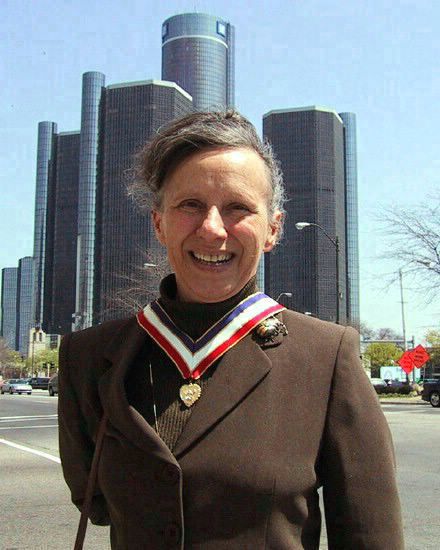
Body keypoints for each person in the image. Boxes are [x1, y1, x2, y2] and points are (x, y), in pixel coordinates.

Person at [58, 110, 404, 549]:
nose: (212, 229)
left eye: (238, 207)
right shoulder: (89, 357)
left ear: (272, 229)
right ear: (159, 223)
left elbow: (370, 535)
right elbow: (98, 502)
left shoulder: (326, 357)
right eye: (190, 205)